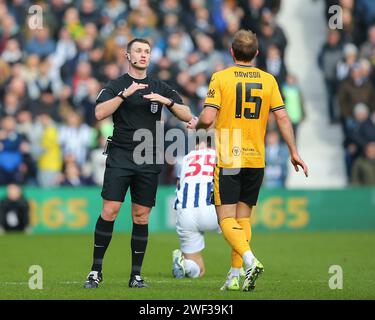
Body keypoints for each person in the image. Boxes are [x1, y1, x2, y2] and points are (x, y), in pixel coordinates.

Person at [187, 29, 308, 291]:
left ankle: (250, 260)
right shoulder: (269, 80)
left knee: (225, 219)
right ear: (256, 53)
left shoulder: (220, 78)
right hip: (256, 158)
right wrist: (293, 152)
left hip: (230, 157)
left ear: (232, 52)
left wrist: (197, 127)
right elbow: (283, 118)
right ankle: (234, 275)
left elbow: (207, 118)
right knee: (243, 219)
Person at [83, 38, 192, 289]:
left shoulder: (160, 86)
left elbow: (188, 115)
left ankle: (136, 275)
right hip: (121, 154)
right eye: (138, 51)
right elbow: (99, 113)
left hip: (149, 157)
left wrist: (168, 102)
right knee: (110, 210)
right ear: (127, 56)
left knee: (141, 216)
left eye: (147, 52)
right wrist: (125, 95)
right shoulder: (116, 85)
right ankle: (95, 271)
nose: (143, 55)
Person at [171, 137, 220, 279]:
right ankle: (240, 266)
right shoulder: (220, 155)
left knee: (198, 270)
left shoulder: (186, 159)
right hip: (213, 211)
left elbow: (179, 185)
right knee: (239, 225)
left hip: (186, 213)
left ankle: (185, 265)